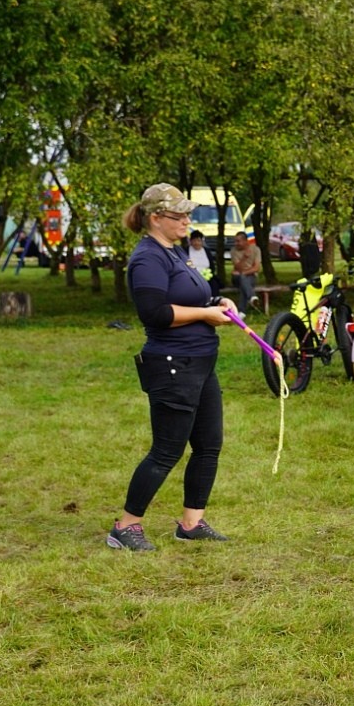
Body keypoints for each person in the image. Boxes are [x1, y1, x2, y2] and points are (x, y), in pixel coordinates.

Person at [107, 183, 237, 552]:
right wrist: (205, 314)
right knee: (166, 450)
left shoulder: (176, 252)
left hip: (200, 362)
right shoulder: (148, 257)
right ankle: (126, 526)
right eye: (177, 215)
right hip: (172, 365)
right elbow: (155, 313)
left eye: (187, 214)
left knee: (209, 445)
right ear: (155, 219)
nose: (186, 220)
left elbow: (192, 296)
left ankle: (191, 524)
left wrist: (217, 301)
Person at [231, 230, 262, 316]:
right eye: (235, 241)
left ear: (245, 241)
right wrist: (244, 257)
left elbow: (256, 268)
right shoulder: (233, 251)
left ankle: (242, 312)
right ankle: (251, 297)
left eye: (238, 241)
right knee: (242, 279)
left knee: (243, 283)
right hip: (236, 278)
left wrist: (243, 273)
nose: (236, 243)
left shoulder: (255, 249)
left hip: (250, 277)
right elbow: (237, 267)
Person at [187, 229, 219, 298]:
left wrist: (208, 274)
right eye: (194, 241)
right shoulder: (186, 252)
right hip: (192, 276)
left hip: (207, 276)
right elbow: (187, 264)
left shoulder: (207, 251)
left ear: (202, 241)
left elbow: (212, 266)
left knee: (214, 284)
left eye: (199, 241)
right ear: (191, 241)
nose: (197, 243)